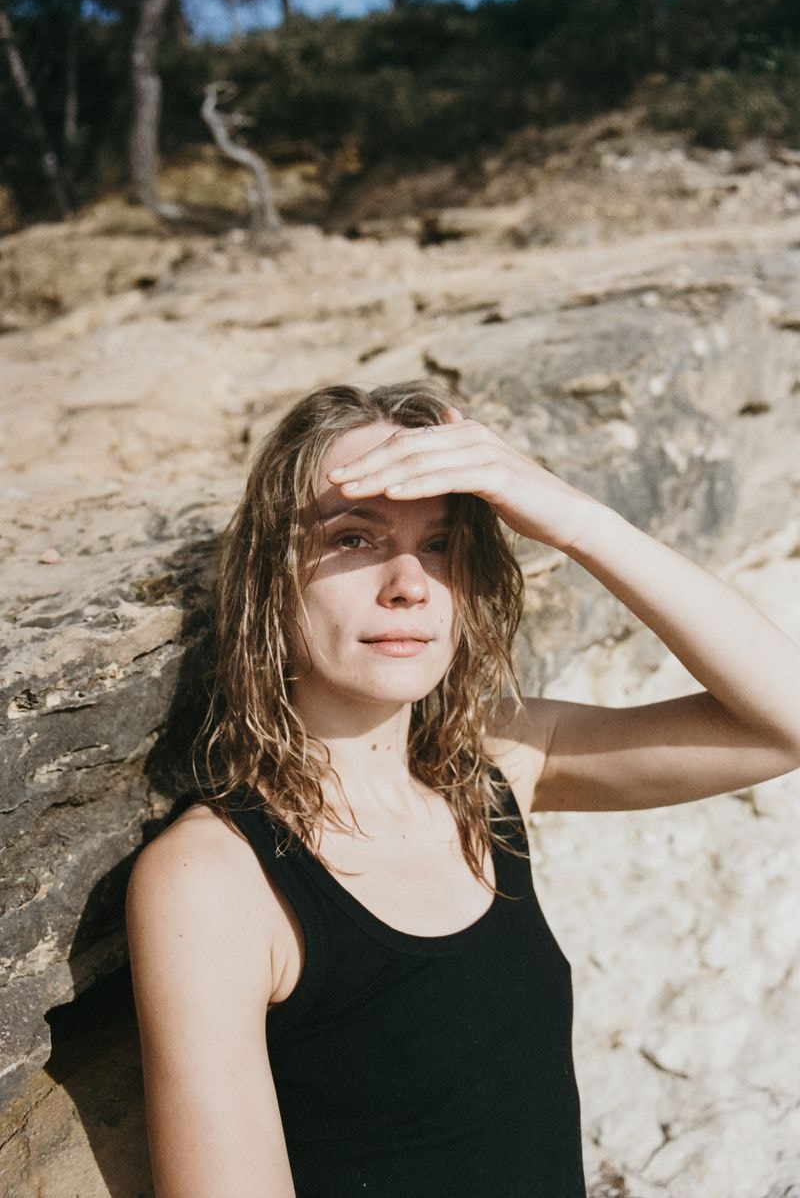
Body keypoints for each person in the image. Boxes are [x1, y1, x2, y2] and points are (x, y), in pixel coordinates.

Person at [125, 379, 800, 1198]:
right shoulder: (216, 880)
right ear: (273, 576)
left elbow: (784, 722)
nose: (409, 582)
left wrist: (569, 516)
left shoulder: (494, 769)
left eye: (440, 544)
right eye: (353, 538)